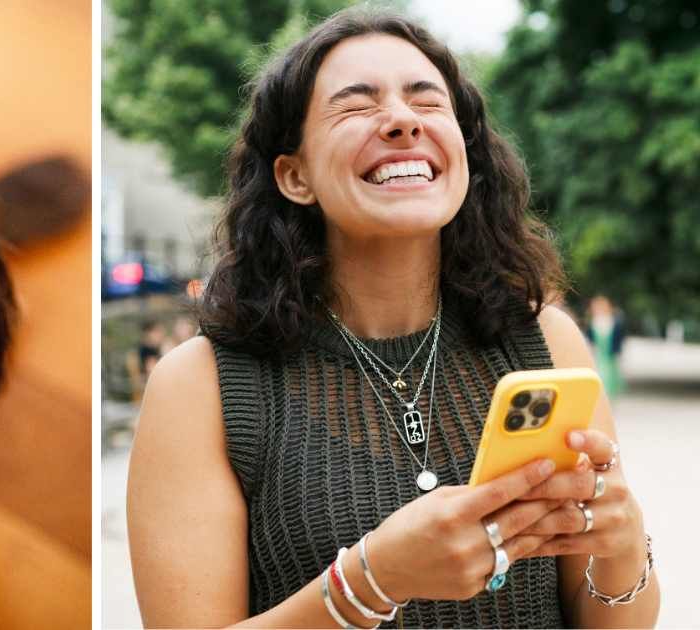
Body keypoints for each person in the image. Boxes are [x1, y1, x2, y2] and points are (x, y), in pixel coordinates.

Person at [127, 9, 657, 629]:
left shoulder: (546, 340)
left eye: (427, 102)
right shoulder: (203, 387)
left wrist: (621, 543)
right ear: (294, 176)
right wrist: (372, 581)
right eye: (356, 106)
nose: (403, 119)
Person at [585, 295, 626, 399]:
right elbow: (590, 340)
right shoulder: (592, 323)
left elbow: (619, 338)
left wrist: (618, 352)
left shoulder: (614, 322)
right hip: (598, 356)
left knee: (610, 378)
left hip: (609, 356)